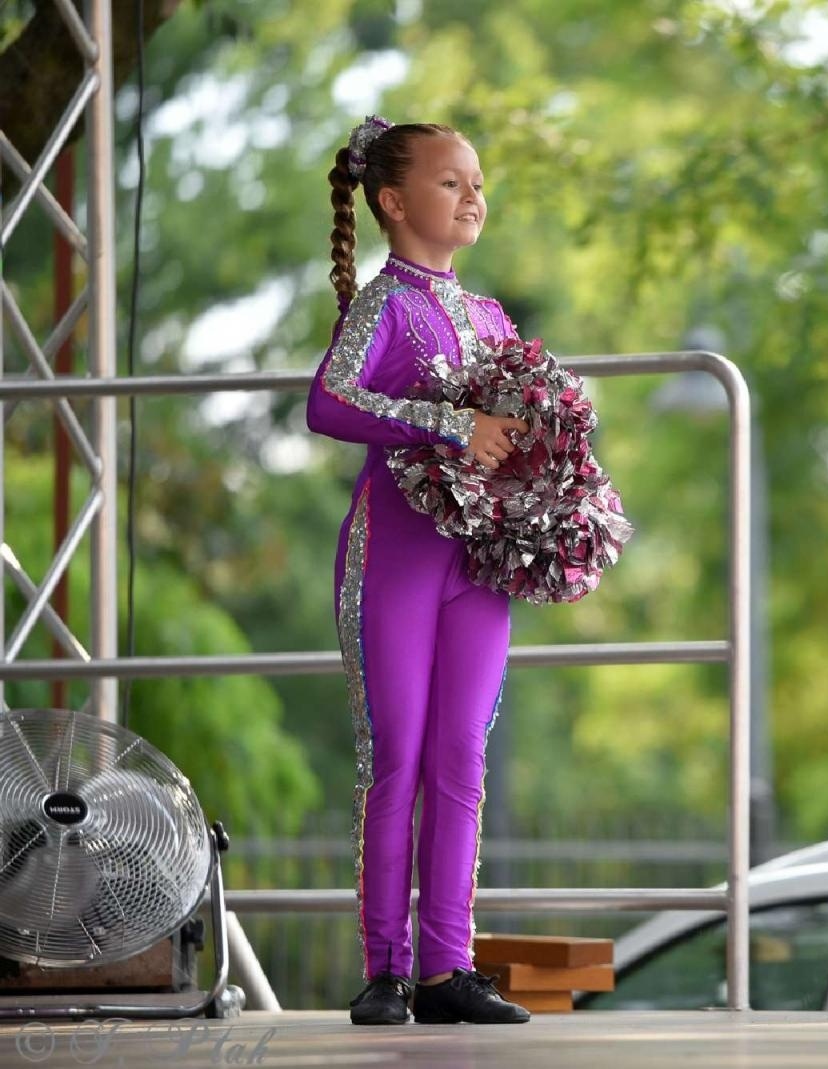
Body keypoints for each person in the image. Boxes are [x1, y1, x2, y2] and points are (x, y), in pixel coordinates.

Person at [306, 115, 531, 1027]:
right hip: (392, 557)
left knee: (462, 759)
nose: (473, 195)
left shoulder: (491, 317)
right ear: (394, 202)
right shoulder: (383, 304)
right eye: (451, 182)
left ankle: (448, 966)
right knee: (394, 756)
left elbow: (517, 426)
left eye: (477, 180)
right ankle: (386, 969)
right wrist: (447, 425)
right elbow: (329, 400)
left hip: (477, 563)